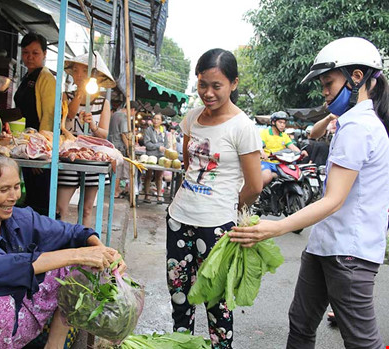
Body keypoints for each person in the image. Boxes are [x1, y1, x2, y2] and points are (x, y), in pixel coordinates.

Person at [230, 37, 389, 349]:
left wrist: (274, 228)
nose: (324, 91)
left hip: (349, 254)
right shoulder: (350, 121)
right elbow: (317, 136)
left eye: (328, 82)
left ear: (357, 77)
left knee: (361, 341)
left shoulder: (360, 127)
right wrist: (332, 111)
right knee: (301, 323)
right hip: (325, 245)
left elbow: (333, 200)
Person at [0, 151, 125, 349]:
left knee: (79, 267)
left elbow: (74, 232)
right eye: (4, 189)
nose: (14, 197)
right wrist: (75, 254)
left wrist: (104, 252)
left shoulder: (17, 218)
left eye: (16, 187)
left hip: (11, 316)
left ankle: (54, 345)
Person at [166, 48, 262, 348]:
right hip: (179, 217)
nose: (208, 93)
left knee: (217, 301)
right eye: (202, 84)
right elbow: (187, 163)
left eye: (216, 85)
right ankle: (180, 344)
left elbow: (254, 185)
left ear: (233, 83)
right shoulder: (191, 118)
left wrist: (232, 211)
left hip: (217, 225)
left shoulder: (243, 127)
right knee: (179, 295)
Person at [56, 53, 113, 226]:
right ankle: (59, 243)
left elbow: (104, 134)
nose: (79, 75)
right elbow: (69, 116)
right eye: (75, 70)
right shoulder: (66, 96)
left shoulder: (104, 103)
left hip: (93, 157)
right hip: (70, 154)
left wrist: (93, 127)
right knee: (60, 207)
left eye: (84, 71)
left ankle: (83, 244)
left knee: (87, 209)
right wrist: (80, 94)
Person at [14, 32, 56, 215]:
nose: (29, 57)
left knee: (40, 203)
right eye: (26, 52)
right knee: (30, 198)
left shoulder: (46, 78)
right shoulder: (28, 77)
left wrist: (40, 152)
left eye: (35, 53)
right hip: (27, 147)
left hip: (38, 150)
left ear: (45, 54)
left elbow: (49, 115)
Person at [260, 111, 308, 187]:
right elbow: (259, 145)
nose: (282, 125)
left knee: (292, 176)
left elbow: (292, 146)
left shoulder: (284, 135)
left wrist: (301, 152)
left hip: (281, 163)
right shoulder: (264, 133)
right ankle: (257, 196)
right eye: (280, 122)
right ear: (273, 122)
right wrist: (262, 152)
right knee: (267, 177)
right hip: (266, 162)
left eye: (284, 123)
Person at [108, 101, 138, 198]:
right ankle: (115, 192)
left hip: (111, 144)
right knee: (118, 170)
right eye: (134, 112)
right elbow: (124, 135)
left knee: (114, 169)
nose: (133, 115)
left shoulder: (115, 114)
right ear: (132, 110)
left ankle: (116, 190)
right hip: (119, 147)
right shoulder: (124, 117)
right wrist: (129, 148)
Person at [143, 113, 168, 204]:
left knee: (159, 177)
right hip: (150, 155)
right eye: (154, 118)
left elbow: (166, 144)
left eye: (158, 119)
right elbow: (147, 143)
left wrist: (165, 149)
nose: (156, 120)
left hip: (161, 156)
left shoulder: (163, 131)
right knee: (148, 175)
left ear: (161, 121)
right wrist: (157, 147)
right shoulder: (148, 130)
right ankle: (147, 195)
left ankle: (159, 196)